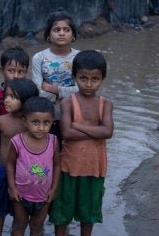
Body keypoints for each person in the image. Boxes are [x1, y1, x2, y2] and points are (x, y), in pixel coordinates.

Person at [49, 50, 114, 236]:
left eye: (95, 79)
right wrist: (95, 131)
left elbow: (108, 132)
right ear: (74, 76)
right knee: (62, 209)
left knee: (90, 212)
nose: (88, 84)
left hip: (95, 168)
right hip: (69, 166)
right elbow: (67, 133)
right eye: (83, 78)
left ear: (102, 78)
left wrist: (78, 126)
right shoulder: (68, 102)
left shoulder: (105, 104)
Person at [0, 78, 38, 235]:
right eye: (7, 96)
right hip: (2, 170)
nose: (7, 100)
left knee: (19, 210)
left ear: (27, 101)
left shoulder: (31, 125)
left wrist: (39, 174)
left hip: (23, 173)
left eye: (13, 97)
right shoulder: (1, 121)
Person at [6, 96, 60, 236]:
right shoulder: (17, 141)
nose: (41, 128)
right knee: (20, 224)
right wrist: (12, 187)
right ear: (25, 121)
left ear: (52, 122)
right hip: (21, 195)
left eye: (46, 122)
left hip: (44, 196)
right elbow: (10, 164)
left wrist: (54, 189)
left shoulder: (53, 141)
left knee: (37, 226)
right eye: (35, 122)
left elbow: (57, 165)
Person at [31, 10, 79, 148]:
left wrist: (54, 89)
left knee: (69, 155)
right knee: (46, 155)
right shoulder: (39, 58)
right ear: (48, 35)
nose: (62, 33)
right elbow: (39, 91)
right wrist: (68, 92)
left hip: (73, 116)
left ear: (73, 35)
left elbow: (83, 90)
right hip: (45, 118)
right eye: (57, 29)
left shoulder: (79, 58)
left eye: (66, 29)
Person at [0, 47, 30, 164]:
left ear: (26, 72)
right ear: (2, 70)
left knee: (27, 175)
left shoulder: (28, 93)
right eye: (11, 71)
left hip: (24, 145)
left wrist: (0, 117)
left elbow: (31, 122)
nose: (15, 76)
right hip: (0, 145)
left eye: (20, 72)